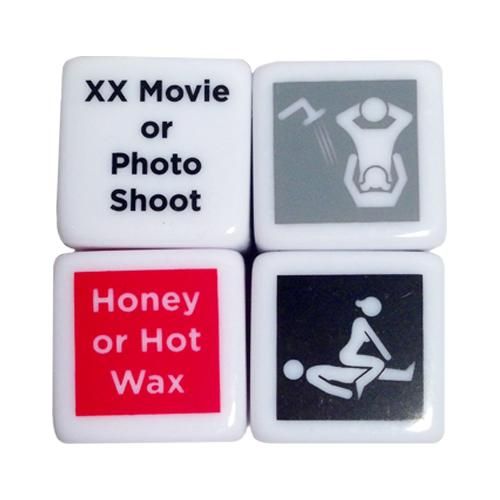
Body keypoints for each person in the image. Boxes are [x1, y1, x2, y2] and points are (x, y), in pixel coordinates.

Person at [339, 297, 392, 398]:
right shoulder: (361, 322)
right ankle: (361, 382)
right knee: (379, 364)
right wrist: (387, 356)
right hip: (349, 355)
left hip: (348, 355)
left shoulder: (359, 321)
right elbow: (376, 340)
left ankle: (361, 382)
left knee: (378, 364)